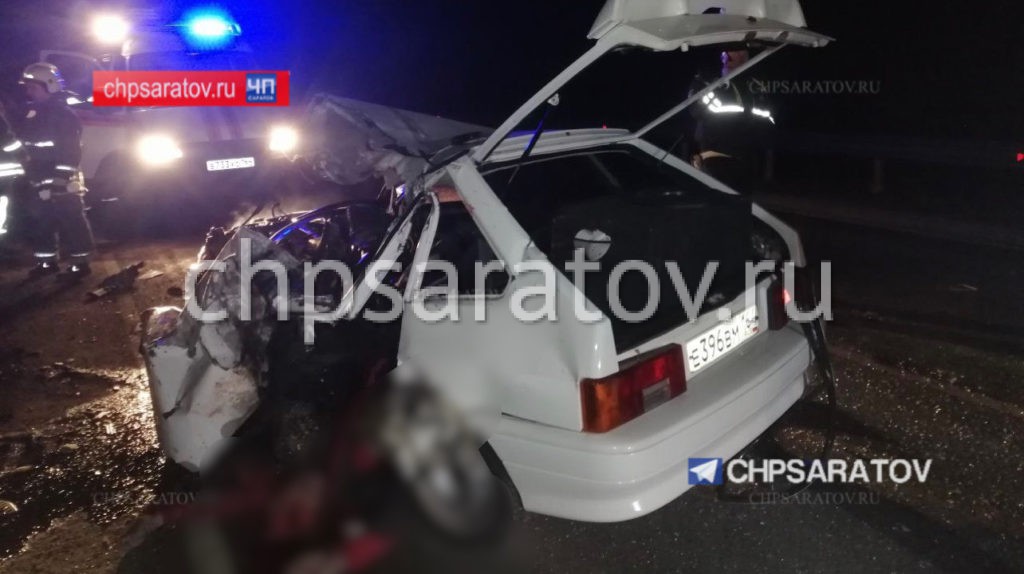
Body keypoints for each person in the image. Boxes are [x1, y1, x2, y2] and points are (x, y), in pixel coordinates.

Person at [13, 62, 94, 280]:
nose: (29, 92)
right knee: (41, 221)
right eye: (27, 87)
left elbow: (71, 152)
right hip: (38, 177)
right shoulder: (32, 112)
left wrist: (60, 181)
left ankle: (80, 263)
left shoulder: (64, 116)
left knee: (71, 220)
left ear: (50, 86)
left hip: (62, 179)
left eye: (33, 88)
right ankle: (46, 261)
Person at [690, 48, 775, 194]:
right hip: (715, 160)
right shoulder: (707, 81)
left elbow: (768, 121)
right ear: (723, 57)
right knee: (717, 202)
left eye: (743, 52)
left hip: (746, 160)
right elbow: (697, 110)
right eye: (732, 52)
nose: (739, 56)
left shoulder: (755, 86)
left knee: (743, 204)